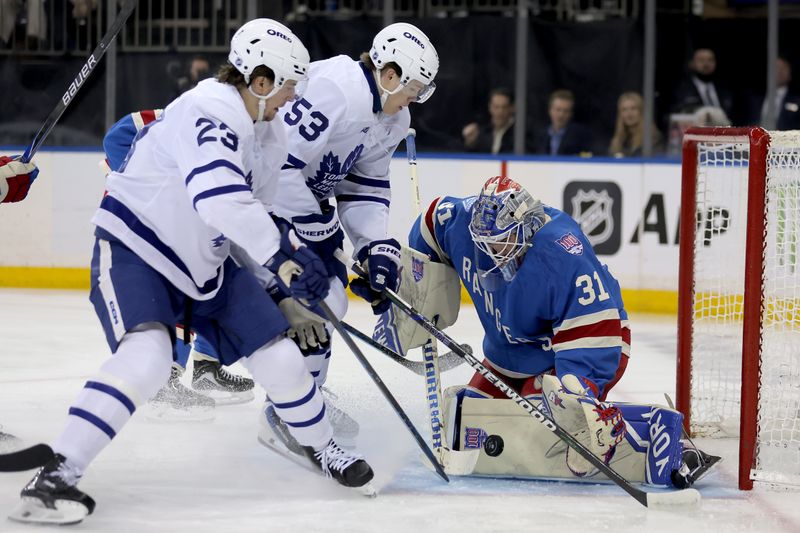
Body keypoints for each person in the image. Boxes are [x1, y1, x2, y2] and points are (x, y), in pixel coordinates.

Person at [8, 19, 375, 526]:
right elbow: (221, 201)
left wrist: (278, 286)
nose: (296, 97)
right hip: (141, 249)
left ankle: (324, 449)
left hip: (210, 264)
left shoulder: (268, 133)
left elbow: (252, 218)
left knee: (282, 359)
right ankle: (55, 477)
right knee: (149, 358)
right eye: (290, 85)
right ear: (261, 80)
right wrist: (285, 259)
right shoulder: (208, 110)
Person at [381, 175, 719, 487]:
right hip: (510, 353)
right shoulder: (460, 221)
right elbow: (430, 223)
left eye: (501, 242)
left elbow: (597, 331)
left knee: (547, 411)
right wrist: (415, 288)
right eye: (484, 242)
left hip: (588, 342)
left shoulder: (562, 251)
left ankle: (634, 433)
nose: (490, 251)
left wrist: (578, 397)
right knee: (464, 414)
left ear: (527, 226)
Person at [257, 22, 440, 451]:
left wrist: (373, 246)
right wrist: (317, 227)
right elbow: (279, 166)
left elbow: (366, 186)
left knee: (332, 299)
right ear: (389, 74)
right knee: (320, 300)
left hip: (305, 209)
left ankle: (303, 400)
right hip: (266, 204)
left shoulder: (394, 117)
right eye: (412, 87)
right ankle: (286, 409)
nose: (413, 98)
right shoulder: (338, 88)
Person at [103, 109, 256, 419]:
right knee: (182, 290)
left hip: (201, 227)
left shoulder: (262, 136)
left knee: (227, 285)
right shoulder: (197, 114)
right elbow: (117, 137)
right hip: (147, 226)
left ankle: (206, 368)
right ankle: (163, 383)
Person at [671, 48, 734, 121]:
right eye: (701, 60)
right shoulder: (681, 91)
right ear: (691, 63)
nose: (706, 64)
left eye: (710, 60)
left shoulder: (726, 89)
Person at [531, 90, 593, 156]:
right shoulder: (540, 136)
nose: (561, 115)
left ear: (571, 114)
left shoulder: (581, 136)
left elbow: (587, 157)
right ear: (550, 110)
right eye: (558, 110)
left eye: (566, 111)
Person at [462, 87, 517, 154]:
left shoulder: (520, 133)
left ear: (511, 108)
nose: (500, 112)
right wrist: (470, 144)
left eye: (504, 107)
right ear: (490, 108)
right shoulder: (482, 132)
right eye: (496, 107)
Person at [608, 92, 663, 157]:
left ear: (641, 111)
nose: (629, 114)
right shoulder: (617, 141)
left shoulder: (653, 138)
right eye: (624, 110)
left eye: (633, 108)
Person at [757, 57, 800, 131]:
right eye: (776, 68)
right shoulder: (754, 98)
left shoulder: (797, 100)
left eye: (783, 68)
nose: (779, 71)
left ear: (790, 73)